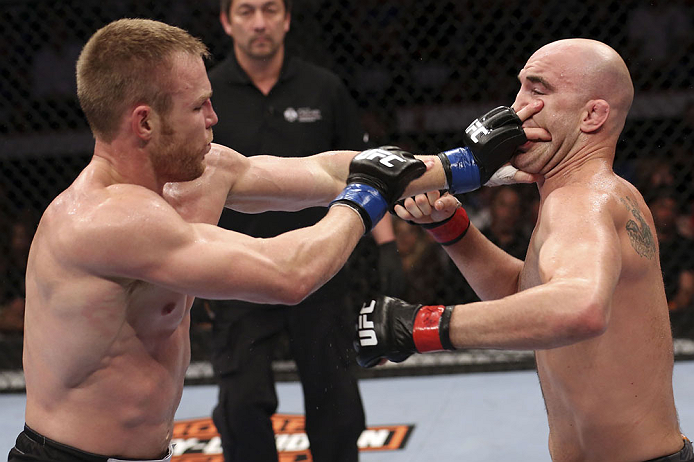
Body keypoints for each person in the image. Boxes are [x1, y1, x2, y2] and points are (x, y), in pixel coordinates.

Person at [8, 16, 544, 462]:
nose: (215, 118)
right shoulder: (106, 219)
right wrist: (366, 199)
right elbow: (289, 276)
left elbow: (327, 171)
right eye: (198, 108)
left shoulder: (199, 170)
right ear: (144, 123)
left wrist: (462, 167)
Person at [356, 38, 694, 461]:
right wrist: (453, 230)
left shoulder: (581, 201)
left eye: (538, 90)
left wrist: (422, 326)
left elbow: (578, 309)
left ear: (592, 115)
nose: (516, 110)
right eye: (519, 89)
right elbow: (530, 297)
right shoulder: (600, 194)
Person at [206, 0, 402, 460]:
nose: (259, 23)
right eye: (246, 11)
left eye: (270, 10)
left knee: (334, 396)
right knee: (241, 401)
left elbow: (365, 170)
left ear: (287, 19)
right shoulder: (208, 95)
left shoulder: (324, 88)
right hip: (236, 269)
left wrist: (388, 246)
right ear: (225, 21)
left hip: (322, 268)